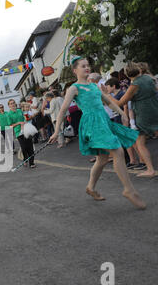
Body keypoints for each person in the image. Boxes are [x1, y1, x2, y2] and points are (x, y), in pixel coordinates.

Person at [49, 57, 146, 210]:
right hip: (91, 123)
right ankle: (129, 189)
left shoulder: (94, 86)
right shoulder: (74, 88)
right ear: (75, 70)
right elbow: (62, 110)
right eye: (83, 66)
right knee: (118, 151)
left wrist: (122, 113)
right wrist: (56, 131)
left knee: (102, 159)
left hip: (104, 121)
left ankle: (91, 187)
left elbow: (108, 101)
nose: (87, 68)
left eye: (87, 65)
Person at [102, 62, 158, 177]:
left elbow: (120, 103)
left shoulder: (134, 85)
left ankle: (150, 169)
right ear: (139, 70)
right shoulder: (148, 78)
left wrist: (108, 95)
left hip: (143, 114)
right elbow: (156, 91)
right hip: (156, 109)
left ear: (127, 74)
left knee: (139, 141)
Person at [8, 99, 36, 168]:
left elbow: (25, 118)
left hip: (26, 129)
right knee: (24, 147)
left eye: (13, 103)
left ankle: (31, 163)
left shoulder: (20, 110)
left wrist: (27, 119)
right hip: (18, 132)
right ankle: (25, 159)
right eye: (11, 103)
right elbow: (10, 125)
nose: (13, 104)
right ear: (9, 106)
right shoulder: (9, 114)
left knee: (30, 147)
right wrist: (19, 123)